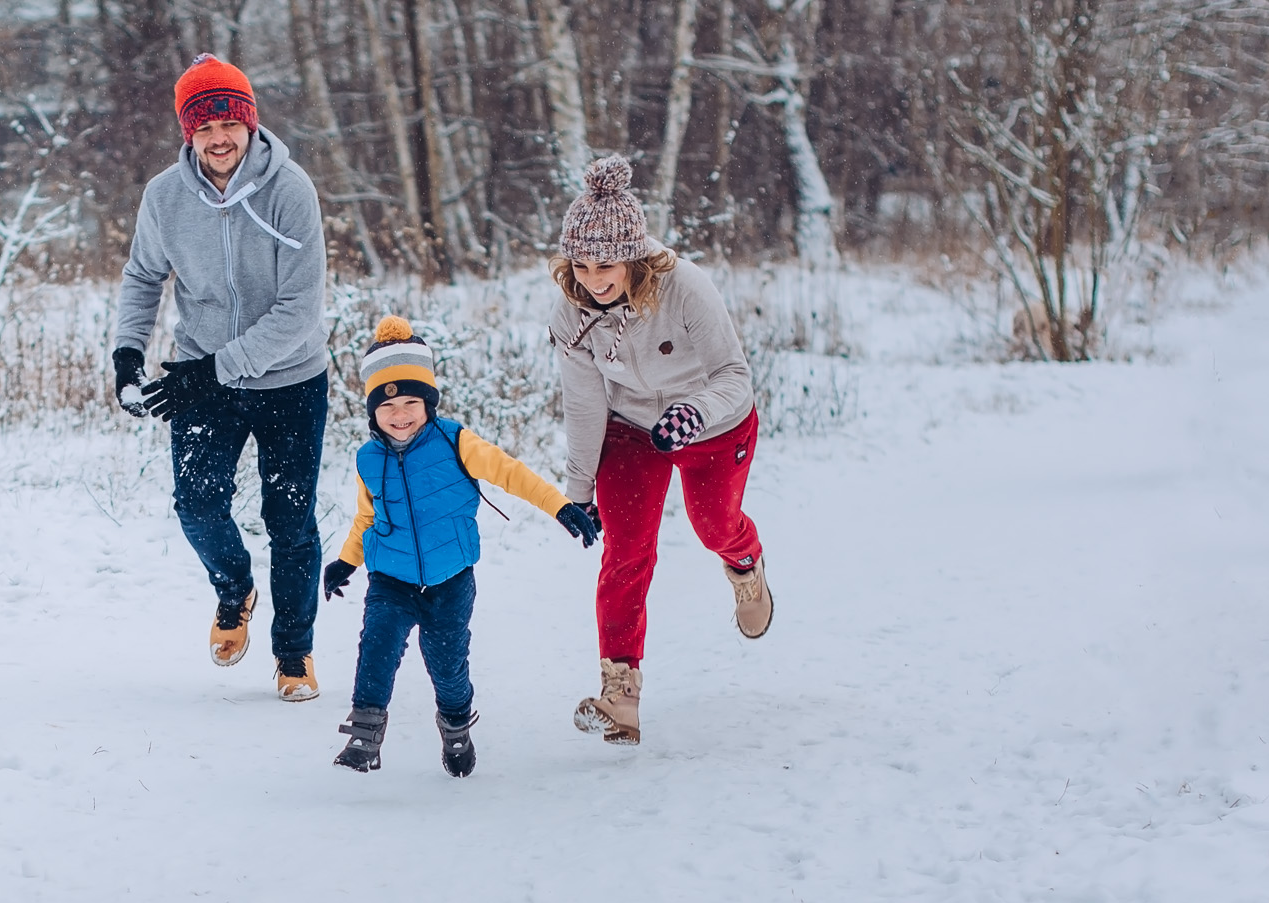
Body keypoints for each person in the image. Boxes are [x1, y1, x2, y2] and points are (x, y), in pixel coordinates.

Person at [111, 55, 331, 702]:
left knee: (289, 519)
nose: (219, 138)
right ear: (188, 133)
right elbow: (143, 275)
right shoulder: (165, 197)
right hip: (201, 374)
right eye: (204, 127)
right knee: (197, 504)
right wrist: (128, 351)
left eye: (230, 123)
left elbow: (300, 310)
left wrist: (215, 371)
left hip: (291, 379)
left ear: (250, 121)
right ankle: (234, 589)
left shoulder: (291, 190)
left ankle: (294, 653)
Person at [549, 155, 774, 745]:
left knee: (712, 525)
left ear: (634, 257)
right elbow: (584, 404)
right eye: (581, 263)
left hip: (712, 420)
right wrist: (576, 494)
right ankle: (619, 693)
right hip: (630, 427)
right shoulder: (570, 309)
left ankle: (746, 564)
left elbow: (734, 376)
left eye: (606, 265)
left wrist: (692, 413)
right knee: (626, 551)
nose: (593, 279)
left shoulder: (684, 287)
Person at [321, 317, 600, 775]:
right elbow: (367, 516)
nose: (401, 414)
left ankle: (455, 729)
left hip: (451, 580)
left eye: (413, 401)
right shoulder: (367, 458)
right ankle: (363, 741)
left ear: (429, 403)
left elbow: (512, 474)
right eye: (388, 406)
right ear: (372, 411)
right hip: (390, 578)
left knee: (447, 665)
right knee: (376, 647)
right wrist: (346, 562)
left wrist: (560, 506)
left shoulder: (455, 442)